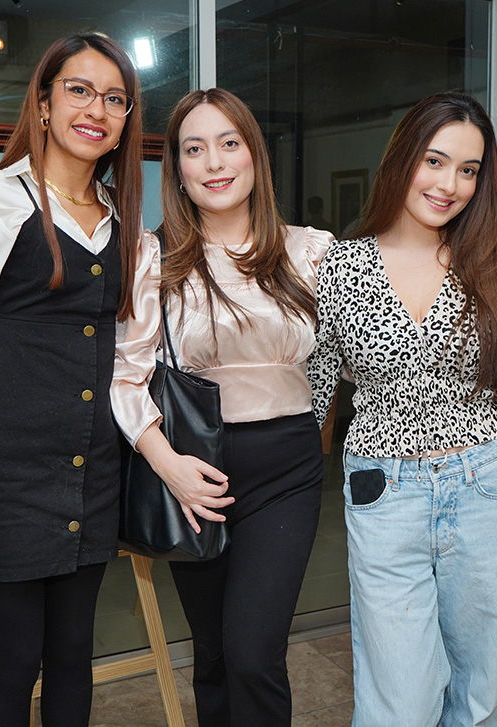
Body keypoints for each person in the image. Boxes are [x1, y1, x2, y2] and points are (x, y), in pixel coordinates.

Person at [307, 91, 497, 727]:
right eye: (435, 161)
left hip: (486, 488)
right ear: (402, 159)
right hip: (385, 494)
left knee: (478, 690)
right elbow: (313, 393)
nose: (449, 185)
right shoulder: (340, 267)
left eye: (469, 170)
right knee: (398, 699)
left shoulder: (495, 267)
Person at [0, 32, 143, 727]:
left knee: (73, 654)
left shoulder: (121, 219)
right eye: (79, 90)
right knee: (15, 662)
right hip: (0, 473)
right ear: (42, 103)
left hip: (90, 468)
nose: (96, 109)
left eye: (115, 98)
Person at [112, 88, 333, 727]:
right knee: (211, 653)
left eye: (229, 143)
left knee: (254, 654)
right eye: (194, 148)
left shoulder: (312, 251)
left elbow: (344, 358)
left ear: (254, 156)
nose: (214, 162)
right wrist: (169, 466)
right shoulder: (151, 257)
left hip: (287, 467)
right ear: (177, 168)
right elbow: (124, 377)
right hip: (192, 468)